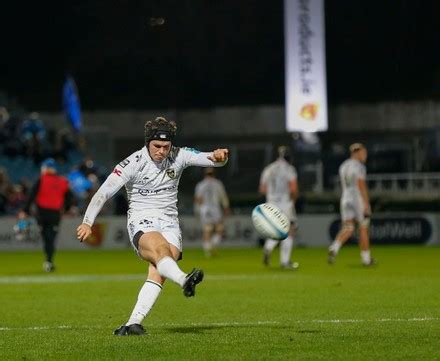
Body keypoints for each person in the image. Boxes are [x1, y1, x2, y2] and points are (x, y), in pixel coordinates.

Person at [76, 117, 229, 336]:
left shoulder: (179, 155)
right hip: (142, 219)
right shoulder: (133, 163)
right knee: (161, 251)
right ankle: (185, 279)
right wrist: (87, 222)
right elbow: (104, 193)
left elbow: (212, 160)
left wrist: (219, 157)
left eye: (166, 147)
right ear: (148, 142)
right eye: (157, 146)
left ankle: (132, 324)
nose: (162, 151)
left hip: (170, 222)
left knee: (159, 270)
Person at [19, 158, 74, 272]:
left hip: (42, 213)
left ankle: (48, 260)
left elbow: (31, 195)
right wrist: (67, 209)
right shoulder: (63, 181)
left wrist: (25, 210)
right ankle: (49, 260)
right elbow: (69, 198)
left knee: (46, 237)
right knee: (51, 237)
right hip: (55, 214)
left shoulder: (41, 179)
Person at [328, 143, 375, 266]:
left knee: (348, 228)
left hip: (345, 198)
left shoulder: (344, 165)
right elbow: (361, 185)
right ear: (357, 152)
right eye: (364, 153)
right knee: (363, 227)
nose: (365, 156)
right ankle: (366, 259)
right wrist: (366, 203)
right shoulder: (359, 166)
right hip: (357, 198)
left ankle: (334, 247)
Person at [259, 145, 299, 269]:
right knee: (290, 230)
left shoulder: (268, 169)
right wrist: (293, 200)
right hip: (285, 203)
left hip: (271, 203)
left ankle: (268, 247)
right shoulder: (289, 169)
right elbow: (293, 188)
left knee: (277, 229)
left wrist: (272, 196)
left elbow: (262, 189)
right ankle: (285, 261)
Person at [194, 167, 230, 257]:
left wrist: (197, 210)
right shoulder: (218, 184)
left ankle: (208, 250)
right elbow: (223, 196)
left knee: (207, 229)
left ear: (205, 174)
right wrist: (226, 207)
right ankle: (214, 244)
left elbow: (198, 199)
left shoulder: (200, 185)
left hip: (205, 209)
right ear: (214, 174)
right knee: (219, 229)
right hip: (215, 208)